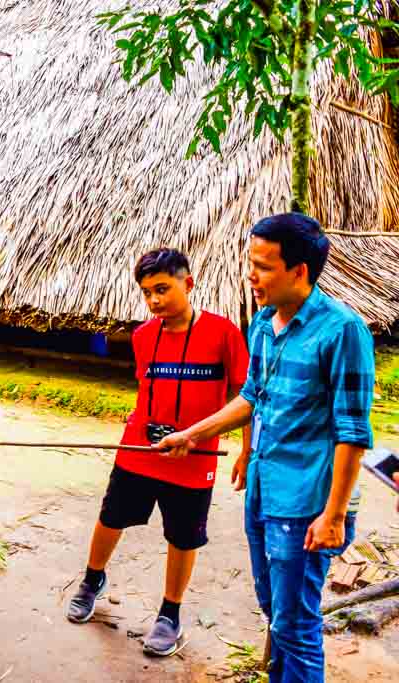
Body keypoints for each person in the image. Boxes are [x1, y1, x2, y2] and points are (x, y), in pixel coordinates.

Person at [158, 213, 374, 682]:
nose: (250, 275)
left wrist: (334, 515)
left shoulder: (342, 331)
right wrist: (193, 434)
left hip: (307, 504)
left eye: (263, 266)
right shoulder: (261, 324)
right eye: (249, 263)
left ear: (299, 271)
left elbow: (352, 432)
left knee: (296, 625)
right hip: (263, 490)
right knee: (274, 611)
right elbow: (253, 395)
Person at [65, 248, 250, 657]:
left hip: (195, 457)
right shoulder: (143, 337)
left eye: (162, 289)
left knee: (184, 536)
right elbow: (147, 389)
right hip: (140, 449)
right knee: (110, 517)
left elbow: (244, 394)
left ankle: (170, 614)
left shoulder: (224, 333)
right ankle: (92, 579)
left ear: (189, 282)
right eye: (147, 292)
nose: (153, 301)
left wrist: (246, 451)